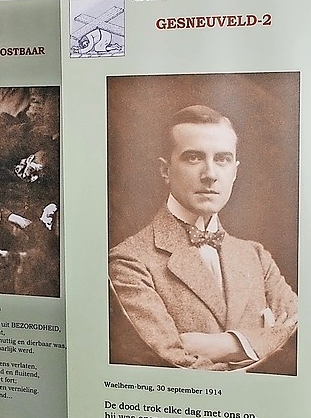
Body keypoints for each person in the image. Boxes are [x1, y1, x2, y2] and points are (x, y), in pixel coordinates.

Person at [108, 104, 298, 371]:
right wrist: (263, 344)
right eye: (193, 158)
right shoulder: (129, 261)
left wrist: (231, 345)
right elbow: (176, 364)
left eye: (222, 159)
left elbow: (300, 333)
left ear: (235, 171)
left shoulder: (256, 256)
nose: (210, 174)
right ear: (165, 170)